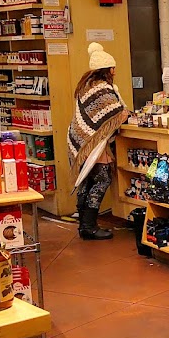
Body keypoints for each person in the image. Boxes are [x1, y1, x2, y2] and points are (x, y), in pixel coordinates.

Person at [68, 43, 129, 240]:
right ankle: (89, 226)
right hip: (94, 143)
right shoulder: (103, 89)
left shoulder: (86, 85)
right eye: (114, 68)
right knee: (102, 179)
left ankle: (84, 225)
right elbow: (117, 114)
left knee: (86, 179)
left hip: (81, 139)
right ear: (109, 69)